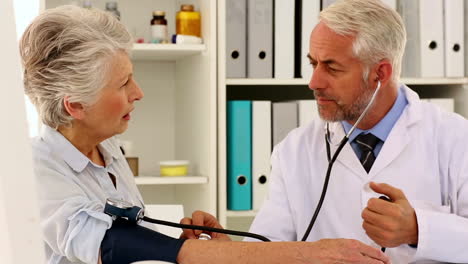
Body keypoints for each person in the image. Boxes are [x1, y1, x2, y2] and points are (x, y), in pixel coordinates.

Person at [21, 5, 390, 264]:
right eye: (123, 83)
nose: (138, 92)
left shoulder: (108, 151)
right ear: (75, 106)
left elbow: (142, 245)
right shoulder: (33, 170)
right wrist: (304, 255)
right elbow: (114, 245)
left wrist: (179, 242)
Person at [183, 0, 468, 263]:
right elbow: (273, 246)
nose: (314, 82)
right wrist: (231, 248)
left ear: (380, 74)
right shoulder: (294, 150)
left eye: (331, 68)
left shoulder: (455, 138)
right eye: (313, 63)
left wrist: (419, 229)